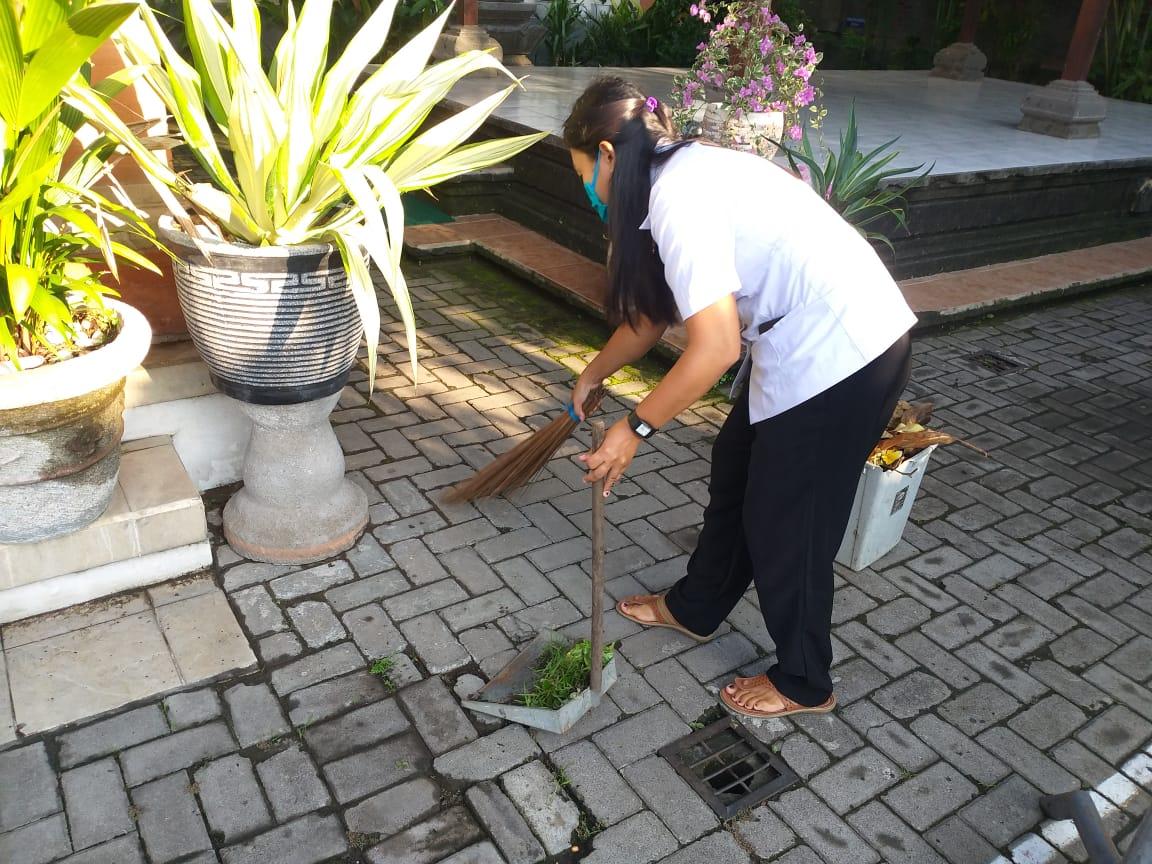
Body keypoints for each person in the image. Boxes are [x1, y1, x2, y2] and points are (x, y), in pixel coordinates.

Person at [565, 77, 916, 719]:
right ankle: (696, 608)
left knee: (791, 520)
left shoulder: (679, 197)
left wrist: (634, 430)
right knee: (736, 471)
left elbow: (716, 346)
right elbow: (653, 315)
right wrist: (594, 374)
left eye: (585, 173)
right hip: (805, 346)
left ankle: (806, 682)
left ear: (609, 155)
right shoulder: (670, 182)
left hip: (846, 353)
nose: (588, 191)